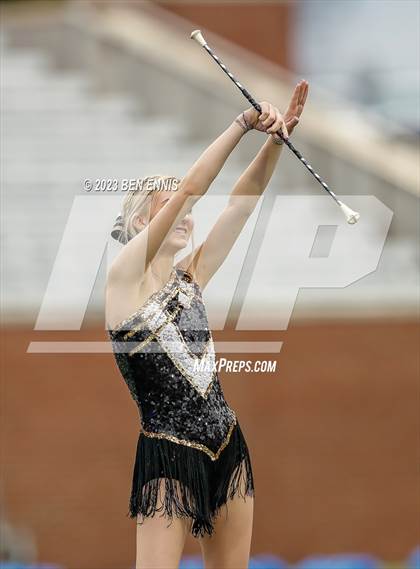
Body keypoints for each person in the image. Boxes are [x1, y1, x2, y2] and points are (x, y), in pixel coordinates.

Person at [106, 81, 308, 569]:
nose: (184, 212)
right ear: (139, 222)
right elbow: (195, 187)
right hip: (168, 457)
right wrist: (241, 124)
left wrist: (274, 144)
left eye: (185, 210)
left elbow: (243, 201)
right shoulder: (124, 279)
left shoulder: (191, 277)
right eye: (167, 204)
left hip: (228, 446)